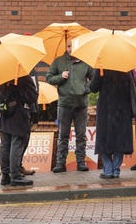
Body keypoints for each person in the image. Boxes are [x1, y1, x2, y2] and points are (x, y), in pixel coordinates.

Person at [46, 39, 94, 173]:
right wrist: (61, 77)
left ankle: (81, 162)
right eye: (68, 46)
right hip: (64, 104)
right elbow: (49, 78)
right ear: (65, 47)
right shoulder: (59, 62)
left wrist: (85, 89)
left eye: (72, 46)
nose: (70, 49)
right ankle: (60, 163)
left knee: (81, 135)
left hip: (81, 105)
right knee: (63, 135)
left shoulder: (85, 62)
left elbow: (94, 80)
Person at [0, 74, 38, 187]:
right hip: (18, 116)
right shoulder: (22, 76)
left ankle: (5, 176)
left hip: (2, 116)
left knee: (5, 145)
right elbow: (32, 97)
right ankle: (15, 176)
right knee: (16, 144)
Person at [89, 68, 134, 179]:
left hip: (106, 108)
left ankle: (108, 170)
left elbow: (93, 88)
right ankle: (115, 170)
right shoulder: (126, 68)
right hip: (122, 108)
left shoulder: (101, 68)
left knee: (104, 139)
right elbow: (133, 88)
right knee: (120, 140)